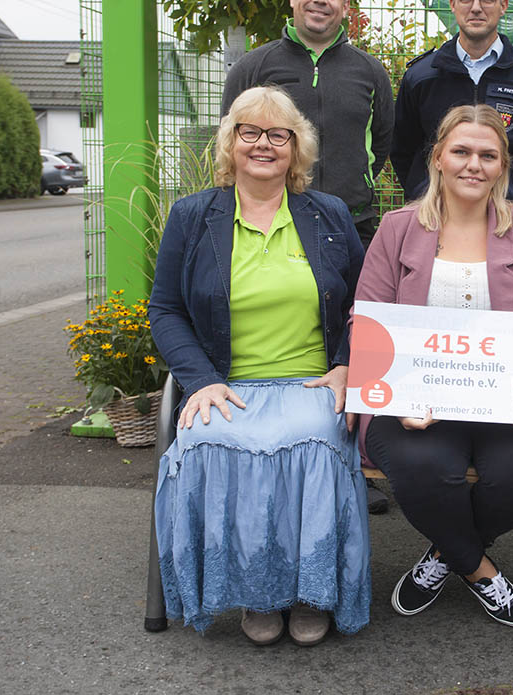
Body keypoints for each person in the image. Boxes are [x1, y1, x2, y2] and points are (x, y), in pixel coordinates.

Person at [149, 86, 370, 646]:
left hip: (311, 380)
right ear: (230, 142)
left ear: (297, 149)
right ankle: (254, 591)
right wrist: (200, 381)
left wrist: (346, 365)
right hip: (227, 382)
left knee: (316, 439)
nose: (264, 144)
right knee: (207, 441)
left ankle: (310, 591)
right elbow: (166, 309)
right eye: (250, 132)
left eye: (279, 135)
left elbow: (363, 304)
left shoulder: (329, 215)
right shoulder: (192, 217)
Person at [356, 104, 513, 629]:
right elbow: (367, 323)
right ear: (437, 158)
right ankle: (480, 571)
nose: (472, 164)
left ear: (503, 166)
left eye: (487, 154)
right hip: (417, 401)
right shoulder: (396, 230)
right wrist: (402, 400)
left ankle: (444, 555)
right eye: (460, 151)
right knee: (422, 466)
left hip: (512, 405)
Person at [221, 0, 394, 514]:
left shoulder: (369, 72)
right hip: (271, 217)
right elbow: (235, 138)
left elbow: (384, 144)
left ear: (346, 6)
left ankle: (353, 455)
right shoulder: (254, 65)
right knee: (299, 323)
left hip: (352, 221)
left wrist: (359, 184)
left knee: (351, 331)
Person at [391, 0, 513, 212]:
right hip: (436, 216)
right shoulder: (422, 77)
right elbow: (403, 151)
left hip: (510, 218)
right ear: (452, 3)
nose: (476, 7)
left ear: (504, 5)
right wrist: (424, 194)